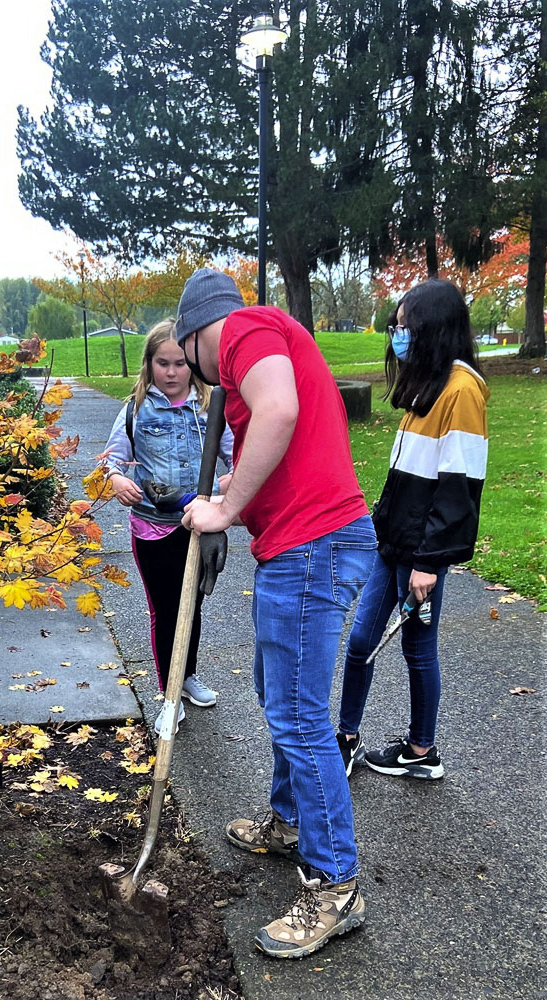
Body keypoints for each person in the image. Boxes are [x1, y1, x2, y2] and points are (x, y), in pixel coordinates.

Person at [177, 268, 376, 960]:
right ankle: (292, 821)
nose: (202, 380)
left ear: (195, 335)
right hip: (306, 543)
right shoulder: (256, 341)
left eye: (190, 362)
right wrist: (226, 489)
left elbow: (281, 411)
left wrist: (226, 510)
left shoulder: (240, 330)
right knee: (278, 694)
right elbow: (285, 441)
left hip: (313, 545)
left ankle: (335, 884)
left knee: (298, 715)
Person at [336, 278, 489, 780]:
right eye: (395, 326)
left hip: (421, 553)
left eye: (406, 327)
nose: (397, 336)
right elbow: (408, 477)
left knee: (417, 649)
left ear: (434, 329)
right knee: (361, 640)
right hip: (392, 543)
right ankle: (347, 737)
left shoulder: (463, 390)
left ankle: (423, 751)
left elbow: (458, 488)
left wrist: (429, 562)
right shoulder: (431, 382)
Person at [102, 318, 233, 735]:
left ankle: (186, 676)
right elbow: (111, 461)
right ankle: (169, 695)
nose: (172, 372)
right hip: (153, 529)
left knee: (192, 608)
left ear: (193, 365)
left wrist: (230, 492)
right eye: (163, 363)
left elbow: (237, 455)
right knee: (166, 610)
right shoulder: (136, 411)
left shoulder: (210, 409)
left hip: (199, 528)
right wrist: (117, 479)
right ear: (149, 364)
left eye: (180, 363)